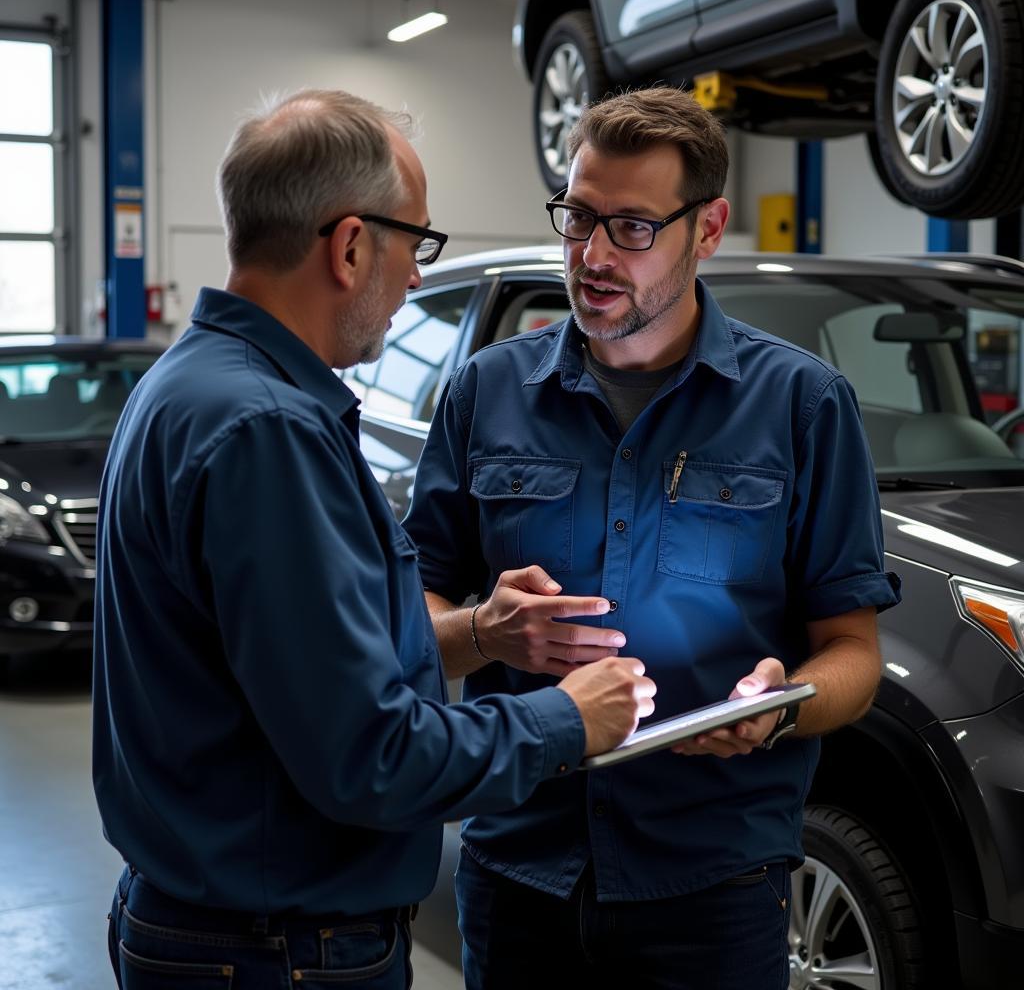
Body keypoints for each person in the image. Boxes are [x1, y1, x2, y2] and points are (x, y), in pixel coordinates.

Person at [92, 88, 657, 990]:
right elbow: (369, 757)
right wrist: (567, 719)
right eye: (416, 244)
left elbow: (291, 667)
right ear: (351, 246)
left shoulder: (191, 385)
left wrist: (479, 633)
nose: (419, 278)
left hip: (219, 926)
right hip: (279, 951)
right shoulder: (264, 431)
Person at [404, 86, 902, 990]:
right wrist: (482, 632)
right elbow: (412, 613)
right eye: (577, 218)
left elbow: (852, 652)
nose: (590, 256)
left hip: (713, 881)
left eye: (630, 227)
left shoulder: (801, 407)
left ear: (706, 231)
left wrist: (782, 702)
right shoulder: (486, 393)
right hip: (519, 869)